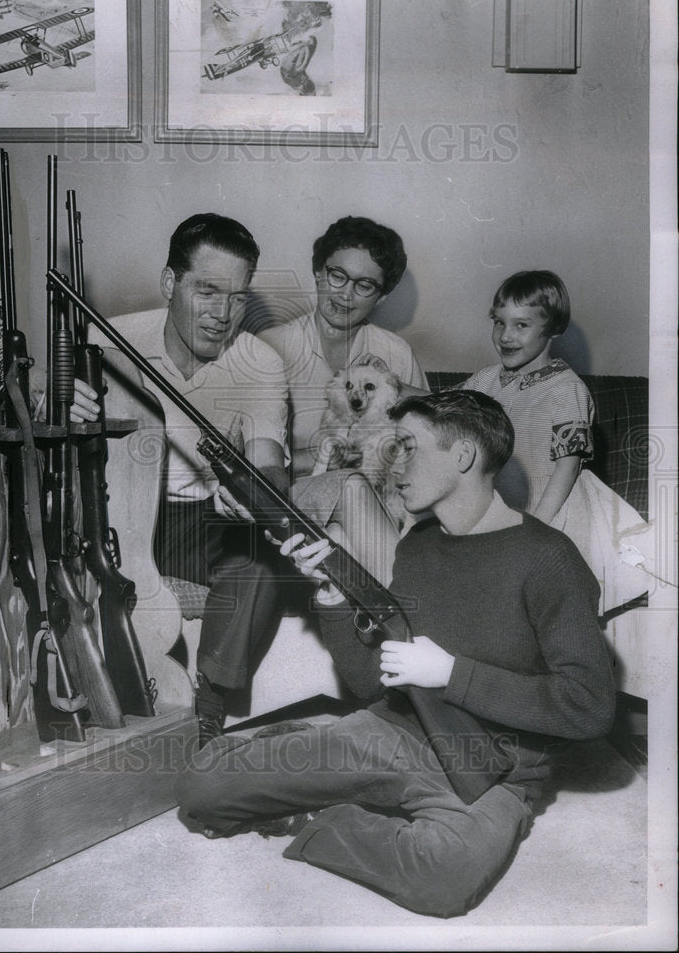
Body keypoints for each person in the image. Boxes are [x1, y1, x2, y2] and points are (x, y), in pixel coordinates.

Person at [174, 390, 617, 917]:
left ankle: (317, 817)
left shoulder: (549, 558)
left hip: (492, 768)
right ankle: (304, 758)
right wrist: (333, 598)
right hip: (391, 732)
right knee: (202, 789)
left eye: (408, 447)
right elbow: (369, 684)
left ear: (463, 457)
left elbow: (589, 705)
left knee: (444, 879)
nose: (394, 461)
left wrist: (452, 674)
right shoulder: (418, 545)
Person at [68, 213, 290, 747]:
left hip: (202, 522)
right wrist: (56, 398)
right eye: (207, 291)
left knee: (264, 550)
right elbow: (35, 391)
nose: (223, 314)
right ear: (170, 284)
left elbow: (270, 466)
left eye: (238, 298)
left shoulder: (260, 362)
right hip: (117, 515)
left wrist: (257, 493)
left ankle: (207, 711)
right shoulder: (106, 340)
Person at [459, 269, 652, 614]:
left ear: (553, 330)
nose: (505, 336)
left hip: (552, 507)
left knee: (549, 601)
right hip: (502, 502)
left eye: (521, 325)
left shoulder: (566, 389)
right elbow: (441, 408)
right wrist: (396, 387)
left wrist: (535, 526)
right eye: (499, 323)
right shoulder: (487, 379)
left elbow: (568, 466)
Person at [259, 216, 428, 585]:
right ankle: (410, 610)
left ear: (382, 295)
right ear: (318, 273)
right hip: (296, 500)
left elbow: (433, 436)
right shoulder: (270, 347)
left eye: (365, 285)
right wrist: (328, 461)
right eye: (337, 275)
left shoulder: (394, 353)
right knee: (350, 488)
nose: (345, 294)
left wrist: (394, 384)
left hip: (379, 506)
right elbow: (253, 464)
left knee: (344, 537)